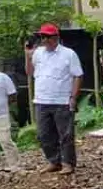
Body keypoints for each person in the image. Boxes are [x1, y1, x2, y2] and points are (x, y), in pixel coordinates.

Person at [25, 23, 83, 174]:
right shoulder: (37, 53)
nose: (44, 40)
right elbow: (29, 72)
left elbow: (78, 75)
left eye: (46, 37)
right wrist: (27, 56)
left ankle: (68, 163)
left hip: (62, 101)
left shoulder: (68, 54)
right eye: (42, 37)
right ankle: (53, 161)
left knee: (66, 134)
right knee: (43, 134)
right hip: (41, 100)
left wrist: (73, 97)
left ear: (56, 37)